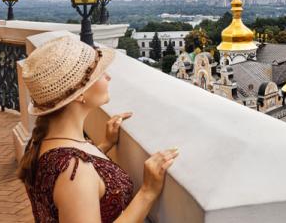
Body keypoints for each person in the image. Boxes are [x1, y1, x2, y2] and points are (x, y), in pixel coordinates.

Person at [16, 35, 179, 222]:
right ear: (80, 93)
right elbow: (77, 182)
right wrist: (147, 192)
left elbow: (82, 189)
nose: (108, 76)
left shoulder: (44, 143)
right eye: (99, 73)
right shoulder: (73, 171)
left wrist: (104, 145)